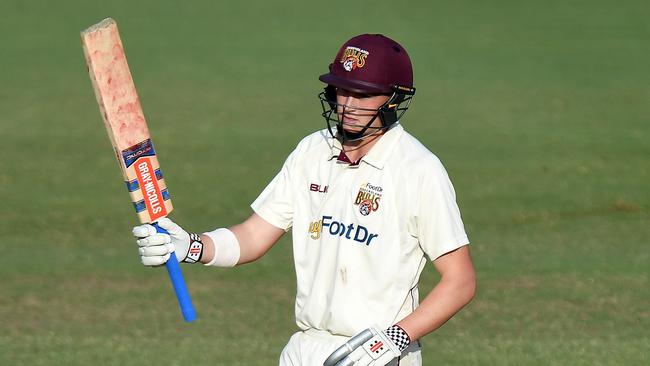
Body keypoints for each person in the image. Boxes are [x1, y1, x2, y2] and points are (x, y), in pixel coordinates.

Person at [133, 34, 476, 366]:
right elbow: (253, 236)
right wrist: (191, 246)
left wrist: (391, 340)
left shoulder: (418, 170)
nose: (349, 105)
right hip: (305, 348)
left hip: (377, 354)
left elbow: (460, 281)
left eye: (364, 94)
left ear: (393, 99)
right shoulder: (313, 151)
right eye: (342, 91)